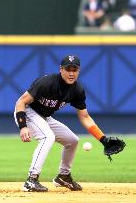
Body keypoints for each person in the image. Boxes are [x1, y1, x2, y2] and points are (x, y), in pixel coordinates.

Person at [14, 55, 125, 192]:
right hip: (28, 112)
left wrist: (103, 139)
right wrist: (23, 126)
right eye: (68, 69)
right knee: (48, 137)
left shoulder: (77, 90)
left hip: (44, 117)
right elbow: (21, 102)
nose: (71, 73)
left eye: (75, 69)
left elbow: (84, 117)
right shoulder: (47, 82)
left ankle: (63, 176)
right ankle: (31, 180)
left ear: (79, 71)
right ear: (61, 69)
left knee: (72, 140)